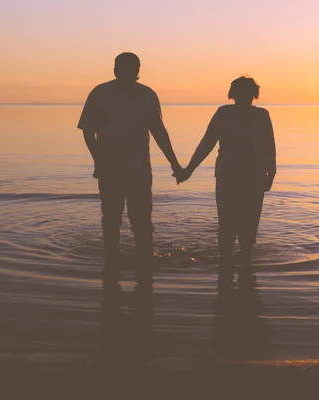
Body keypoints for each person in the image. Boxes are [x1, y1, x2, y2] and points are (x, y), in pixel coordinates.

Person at [78, 52, 182, 280]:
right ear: (114, 70)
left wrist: (175, 164)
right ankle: (111, 260)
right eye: (121, 68)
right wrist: (99, 159)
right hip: (110, 168)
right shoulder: (100, 93)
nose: (124, 73)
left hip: (139, 169)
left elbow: (159, 133)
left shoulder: (147, 95)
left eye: (130, 68)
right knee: (111, 216)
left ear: (137, 71)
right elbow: (88, 131)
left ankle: (145, 262)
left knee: (141, 218)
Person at [176, 76, 276, 266]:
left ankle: (245, 266)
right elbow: (207, 143)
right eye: (239, 92)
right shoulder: (223, 114)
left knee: (249, 225)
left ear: (253, 94)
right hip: (227, 177)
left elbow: (269, 147)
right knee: (227, 225)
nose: (243, 96)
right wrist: (189, 168)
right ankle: (225, 267)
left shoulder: (262, 115)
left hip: (254, 177)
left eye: (247, 92)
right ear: (233, 94)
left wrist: (272, 173)